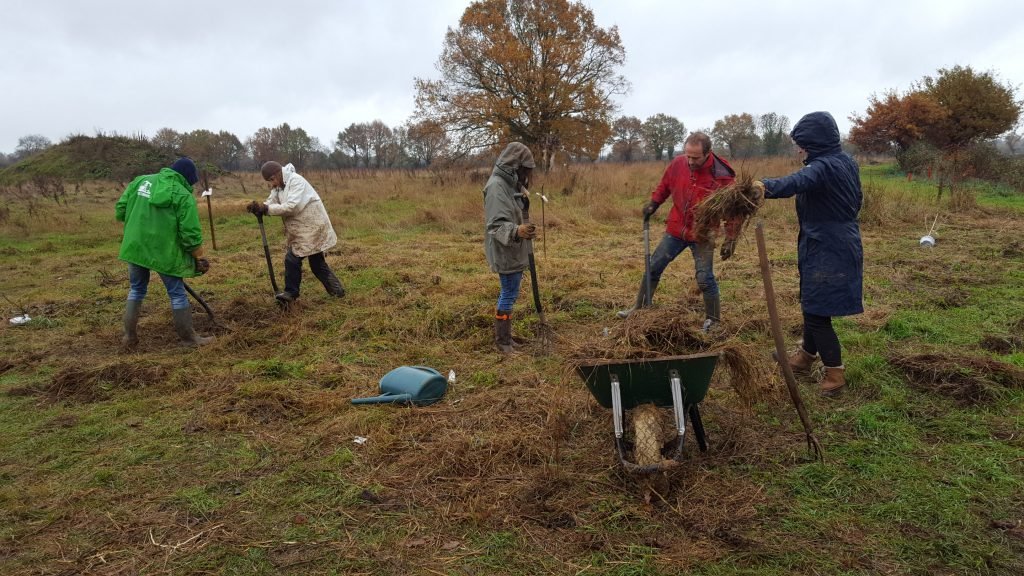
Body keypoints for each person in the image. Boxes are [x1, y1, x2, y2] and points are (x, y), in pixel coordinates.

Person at [753, 111, 863, 395]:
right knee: (812, 303)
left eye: (802, 143)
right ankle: (804, 357)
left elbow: (794, 182)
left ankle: (835, 374)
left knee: (817, 312)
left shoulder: (823, 166)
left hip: (829, 246)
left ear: (814, 142)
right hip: (830, 241)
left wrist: (763, 187)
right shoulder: (845, 161)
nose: (799, 149)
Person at [617, 132, 739, 330]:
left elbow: (733, 212)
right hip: (676, 227)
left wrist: (731, 238)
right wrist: (654, 203)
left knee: (704, 277)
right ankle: (639, 309)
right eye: (687, 155)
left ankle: (713, 321)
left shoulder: (722, 176)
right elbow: (665, 185)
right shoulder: (678, 163)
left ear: (708, 153)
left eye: (695, 158)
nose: (689, 161)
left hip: (703, 234)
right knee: (653, 266)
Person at [116, 157, 213, 347]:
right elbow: (190, 234)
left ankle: (129, 337)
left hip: (136, 247)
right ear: (187, 178)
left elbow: (120, 211)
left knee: (136, 289)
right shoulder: (183, 195)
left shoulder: (141, 181)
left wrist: (141, 222)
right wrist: (199, 257)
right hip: (165, 251)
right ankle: (189, 339)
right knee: (177, 294)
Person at [247, 161, 344, 304]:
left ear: (279, 173)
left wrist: (267, 210)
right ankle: (338, 292)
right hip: (303, 228)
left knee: (292, 258)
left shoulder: (296, 181)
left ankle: (290, 293)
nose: (272, 184)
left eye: (272, 180)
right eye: (269, 182)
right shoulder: (279, 187)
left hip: (313, 225)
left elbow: (293, 207)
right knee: (317, 263)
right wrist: (261, 207)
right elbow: (271, 201)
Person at [483, 142, 537, 354]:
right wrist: (517, 231)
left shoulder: (509, 184)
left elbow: (513, 210)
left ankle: (508, 337)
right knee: (508, 293)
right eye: (525, 171)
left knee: (511, 292)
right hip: (505, 250)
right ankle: (503, 340)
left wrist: (523, 203)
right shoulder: (497, 187)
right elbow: (495, 225)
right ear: (515, 166)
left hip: (513, 249)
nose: (526, 176)